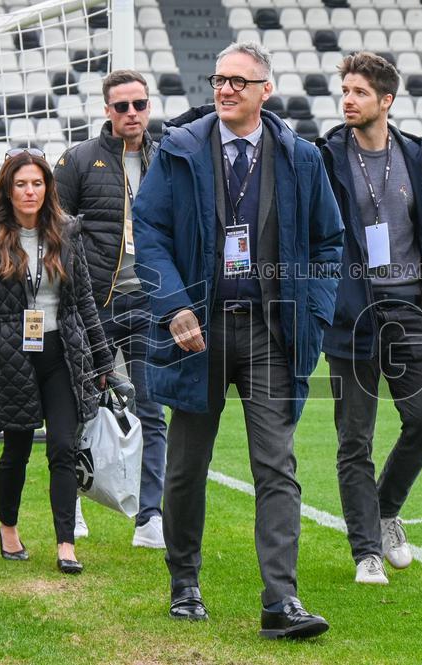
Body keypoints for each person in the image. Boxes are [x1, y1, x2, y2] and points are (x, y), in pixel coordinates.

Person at [132, 41, 344, 638]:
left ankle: (281, 601)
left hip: (272, 333)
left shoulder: (301, 158)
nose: (224, 90)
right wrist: (173, 305)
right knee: (187, 464)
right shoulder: (179, 149)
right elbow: (147, 229)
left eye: (238, 82)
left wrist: (316, 313)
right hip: (196, 330)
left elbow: (330, 243)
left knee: (277, 464)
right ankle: (185, 583)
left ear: (264, 91)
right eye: (218, 80)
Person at [317, 52, 422, 585]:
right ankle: (366, 551)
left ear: (386, 100)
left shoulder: (418, 156)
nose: (348, 100)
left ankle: (384, 512)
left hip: (412, 311)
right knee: (354, 438)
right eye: (345, 91)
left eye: (359, 92)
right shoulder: (325, 156)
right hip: (352, 315)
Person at [0, 147, 114, 575]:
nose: (30, 191)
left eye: (37, 183)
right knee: (17, 450)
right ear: (8, 191)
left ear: (47, 187)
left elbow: (83, 299)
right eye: (20, 184)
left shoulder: (67, 232)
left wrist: (103, 361)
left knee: (64, 449)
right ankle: (8, 529)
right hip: (13, 358)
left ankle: (65, 544)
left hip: (62, 355)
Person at [55, 69, 168, 549]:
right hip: (95, 306)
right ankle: (74, 500)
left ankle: (150, 516)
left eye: (139, 104)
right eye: (121, 106)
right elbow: (55, 232)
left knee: (153, 409)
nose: (131, 114)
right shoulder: (79, 160)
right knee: (80, 406)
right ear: (107, 109)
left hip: (149, 303)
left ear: (148, 106)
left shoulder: (167, 158)